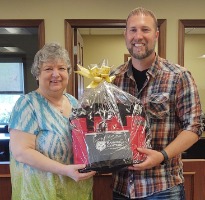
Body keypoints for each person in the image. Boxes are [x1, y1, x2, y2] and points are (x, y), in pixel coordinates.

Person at [111, 7, 204, 200]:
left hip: (162, 188)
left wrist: (161, 155)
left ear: (156, 35)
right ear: (125, 35)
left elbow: (194, 126)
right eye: (133, 30)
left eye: (145, 30)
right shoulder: (112, 79)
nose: (138, 36)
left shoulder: (178, 76)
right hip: (122, 187)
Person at [9, 42, 96, 200]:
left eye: (61, 68)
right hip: (40, 194)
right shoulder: (27, 104)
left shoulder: (74, 102)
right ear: (37, 74)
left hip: (77, 193)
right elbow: (21, 152)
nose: (56, 74)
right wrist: (65, 170)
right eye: (48, 68)